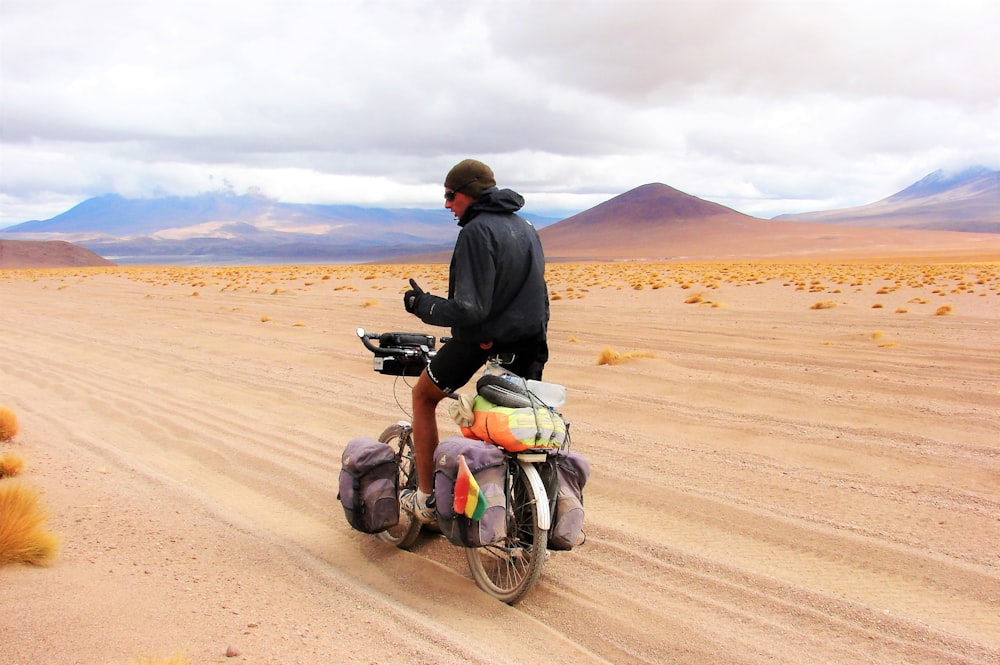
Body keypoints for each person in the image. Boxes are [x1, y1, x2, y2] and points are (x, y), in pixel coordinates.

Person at [400, 158, 549, 523]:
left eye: (451, 196)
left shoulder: (476, 232)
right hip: (530, 343)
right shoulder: (526, 227)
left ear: (467, 195)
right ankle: (527, 529)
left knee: (422, 396)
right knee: (519, 430)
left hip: (484, 340)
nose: (447, 205)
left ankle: (428, 501)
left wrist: (424, 305)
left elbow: (470, 310)